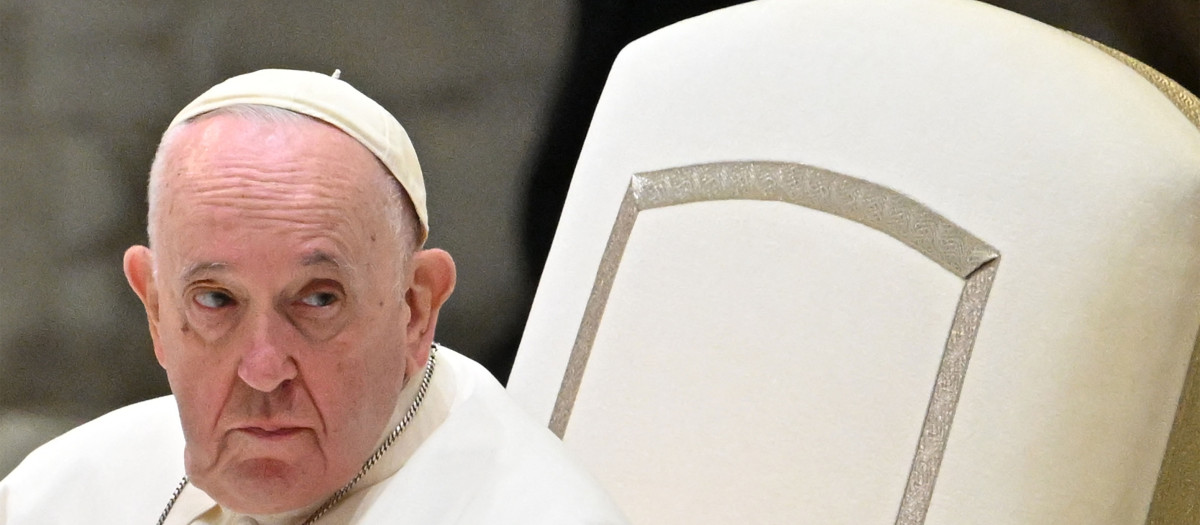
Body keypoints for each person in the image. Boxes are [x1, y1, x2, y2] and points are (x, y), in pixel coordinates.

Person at [0, 69, 628, 524]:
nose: (264, 369)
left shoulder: (526, 510)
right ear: (157, 309)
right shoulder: (63, 496)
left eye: (318, 300)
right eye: (216, 300)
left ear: (415, 309)